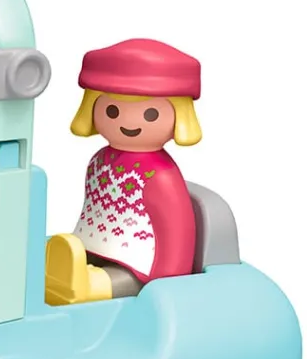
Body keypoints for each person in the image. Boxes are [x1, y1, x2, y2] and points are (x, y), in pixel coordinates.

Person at [44, 38, 201, 306]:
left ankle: (82, 284)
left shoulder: (161, 175)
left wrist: (168, 281)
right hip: (94, 248)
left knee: (98, 284)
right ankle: (63, 274)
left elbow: (177, 231)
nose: (128, 122)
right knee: (61, 269)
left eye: (150, 114)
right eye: (112, 110)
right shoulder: (99, 161)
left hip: (142, 267)